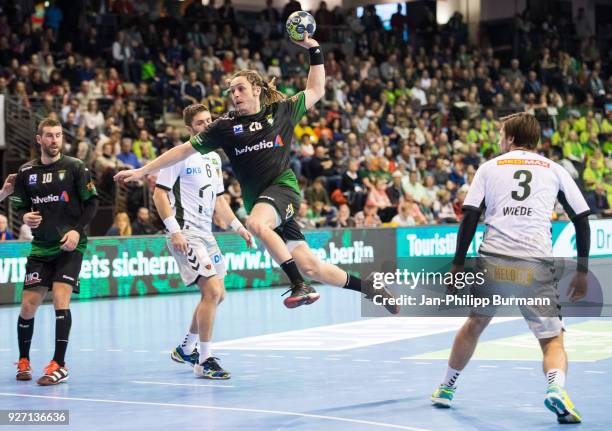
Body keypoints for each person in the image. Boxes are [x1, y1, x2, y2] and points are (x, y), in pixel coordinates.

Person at [115, 33, 398, 314]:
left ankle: (299, 285)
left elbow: (316, 90)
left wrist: (314, 49)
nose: (234, 94)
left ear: (256, 89)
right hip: (260, 201)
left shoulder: (282, 111)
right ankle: (370, 289)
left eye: (239, 88)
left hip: (282, 190)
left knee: (256, 224)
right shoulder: (224, 126)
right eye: (231, 90)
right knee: (313, 265)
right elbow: (182, 150)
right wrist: (144, 169)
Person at [430, 113, 590, 424]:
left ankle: (446, 388)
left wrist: (458, 264)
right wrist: (582, 271)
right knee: (552, 340)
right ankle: (555, 387)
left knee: (475, 323)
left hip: (494, 260)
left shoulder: (489, 168)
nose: (499, 140)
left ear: (512, 139)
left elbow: (470, 216)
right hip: (535, 265)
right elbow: (581, 219)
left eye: (502, 134)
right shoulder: (555, 170)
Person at [154, 104, 253, 379]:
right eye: (200, 123)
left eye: (210, 121)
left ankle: (186, 348)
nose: (207, 126)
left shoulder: (213, 158)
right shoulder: (179, 156)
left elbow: (220, 201)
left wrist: (237, 227)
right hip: (186, 232)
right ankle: (204, 360)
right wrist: (174, 231)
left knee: (220, 294)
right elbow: (159, 195)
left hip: (206, 233)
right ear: (190, 129)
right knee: (211, 292)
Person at [10, 118, 99, 385]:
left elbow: (93, 203)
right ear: (39, 139)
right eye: (49, 136)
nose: (54, 140)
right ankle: (24, 360)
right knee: (28, 306)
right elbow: (19, 205)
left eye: (58, 135)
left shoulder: (75, 167)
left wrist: (77, 231)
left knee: (61, 299)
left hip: (70, 246)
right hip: (41, 247)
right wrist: (26, 216)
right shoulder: (26, 172)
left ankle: (59, 364)